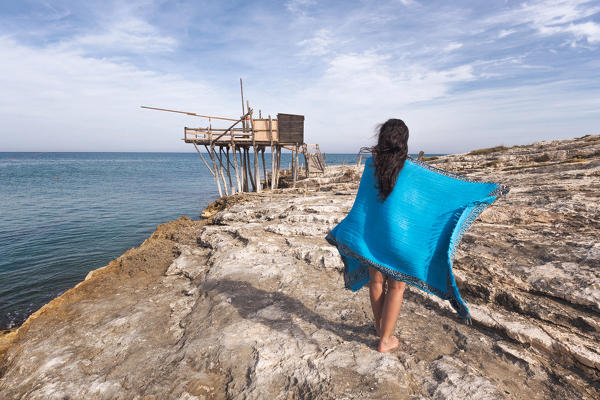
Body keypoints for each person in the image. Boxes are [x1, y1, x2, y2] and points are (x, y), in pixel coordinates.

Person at [363, 119, 410, 353]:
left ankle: (379, 326)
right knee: (397, 287)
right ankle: (385, 339)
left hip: (375, 232)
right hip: (400, 236)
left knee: (376, 281)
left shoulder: (371, 165)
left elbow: (364, 202)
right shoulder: (411, 169)